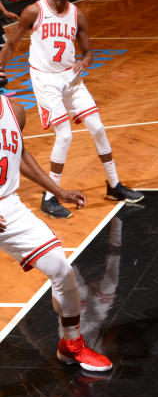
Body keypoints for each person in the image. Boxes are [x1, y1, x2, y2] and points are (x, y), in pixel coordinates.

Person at [0, 0, 144, 218]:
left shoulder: (77, 15)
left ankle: (114, 185)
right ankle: (50, 197)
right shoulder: (34, 11)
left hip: (71, 78)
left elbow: (88, 50)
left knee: (98, 128)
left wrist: (86, 60)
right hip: (45, 79)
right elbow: (12, 43)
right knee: (64, 135)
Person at [0, 93, 112, 372]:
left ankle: (71, 345)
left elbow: (21, 154)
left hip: (8, 207)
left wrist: (57, 191)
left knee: (62, 270)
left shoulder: (14, 110)